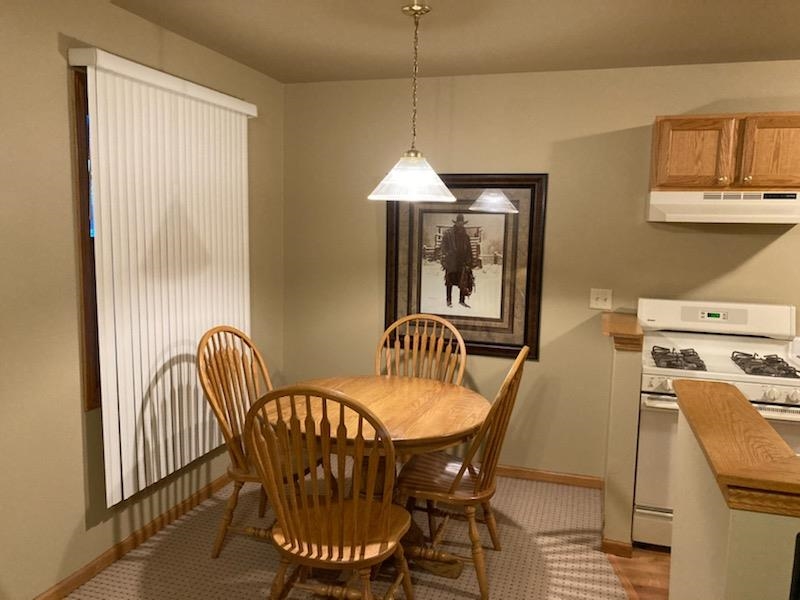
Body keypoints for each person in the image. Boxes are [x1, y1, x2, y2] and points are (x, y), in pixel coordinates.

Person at [440, 214, 475, 308]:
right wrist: (446, 256)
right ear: (456, 223)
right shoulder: (449, 234)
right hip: (451, 261)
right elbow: (443, 247)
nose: (461, 224)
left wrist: (470, 262)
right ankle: (448, 300)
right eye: (459, 222)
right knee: (449, 281)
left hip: (462, 262)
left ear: (463, 223)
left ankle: (462, 300)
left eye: (462, 223)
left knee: (463, 281)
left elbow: (469, 250)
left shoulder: (466, 236)